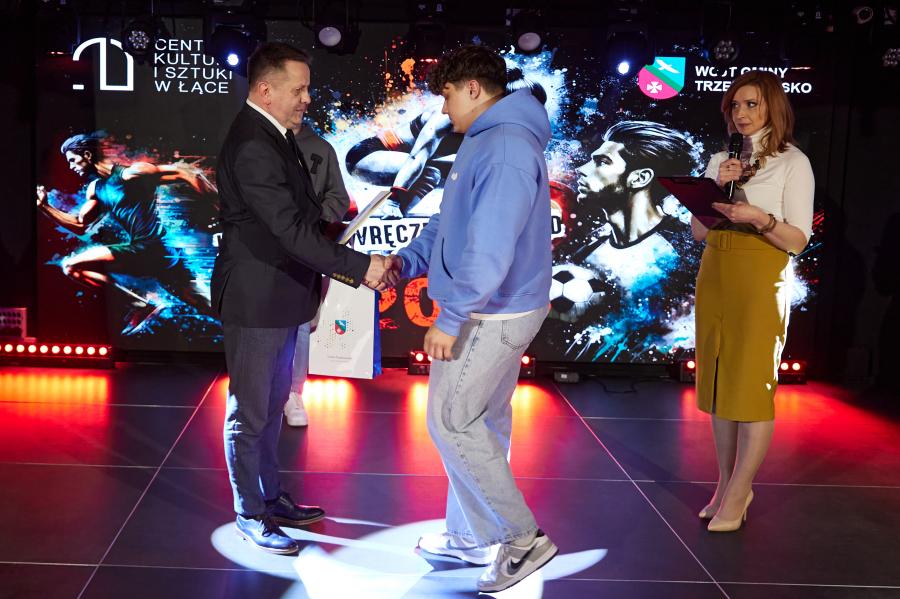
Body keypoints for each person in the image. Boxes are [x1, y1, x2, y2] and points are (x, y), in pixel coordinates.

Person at [382, 45, 557, 593]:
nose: (443, 108)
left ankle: (522, 538)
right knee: (481, 421)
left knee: (452, 422)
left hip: (492, 312)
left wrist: (452, 316)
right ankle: (468, 535)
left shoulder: (504, 147)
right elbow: (450, 220)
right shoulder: (486, 138)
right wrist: (407, 260)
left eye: (448, 95)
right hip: (494, 306)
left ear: (475, 89)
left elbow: (490, 245)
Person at [212, 42, 389, 555]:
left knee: (271, 407)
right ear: (265, 90)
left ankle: (269, 497)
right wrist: (359, 266)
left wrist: (333, 233)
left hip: (282, 293)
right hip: (256, 299)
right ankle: (250, 512)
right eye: (299, 89)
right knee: (250, 414)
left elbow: (299, 218)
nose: (307, 98)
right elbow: (287, 229)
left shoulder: (276, 135)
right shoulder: (253, 143)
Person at [691, 70, 814, 532]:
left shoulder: (792, 162)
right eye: (735, 106)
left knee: (751, 387)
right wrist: (716, 188)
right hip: (716, 269)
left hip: (761, 272)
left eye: (751, 104)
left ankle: (741, 489)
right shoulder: (720, 159)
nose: (741, 114)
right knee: (720, 383)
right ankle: (725, 484)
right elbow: (698, 231)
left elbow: (798, 240)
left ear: (772, 108)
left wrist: (759, 218)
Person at [36, 133, 214, 334]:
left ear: (87, 155)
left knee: (71, 266)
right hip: (152, 255)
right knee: (206, 306)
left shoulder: (131, 174)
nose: (70, 166)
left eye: (72, 160)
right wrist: (44, 207)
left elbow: (185, 173)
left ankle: (138, 304)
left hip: (152, 247)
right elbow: (80, 224)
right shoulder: (96, 189)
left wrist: (219, 206)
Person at [345, 67, 546, 219]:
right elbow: (417, 158)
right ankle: (394, 213)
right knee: (431, 172)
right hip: (366, 156)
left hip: (409, 161)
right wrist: (395, 202)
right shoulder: (449, 116)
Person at [284, 118, 352, 427]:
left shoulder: (321, 149)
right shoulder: (258, 143)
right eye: (295, 94)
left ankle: (292, 393)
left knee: (301, 322)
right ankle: (260, 390)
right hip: (262, 251)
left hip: (306, 249)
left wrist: (315, 220)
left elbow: (339, 198)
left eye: (305, 95)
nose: (302, 100)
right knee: (259, 323)